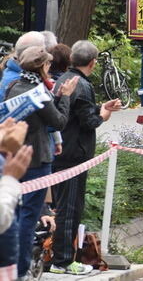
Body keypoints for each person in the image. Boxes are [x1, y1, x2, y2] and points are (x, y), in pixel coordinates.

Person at [49, 41, 122, 275]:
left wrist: (99, 107)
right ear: (93, 63)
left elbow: (77, 110)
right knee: (70, 208)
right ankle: (62, 261)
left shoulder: (64, 79)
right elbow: (88, 121)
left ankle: (57, 257)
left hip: (61, 151)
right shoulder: (83, 84)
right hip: (74, 155)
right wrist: (103, 114)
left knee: (61, 207)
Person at [4, 46, 77, 278]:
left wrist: (56, 96)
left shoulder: (13, 86)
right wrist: (65, 96)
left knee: (12, 215)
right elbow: (59, 121)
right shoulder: (38, 92)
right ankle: (21, 270)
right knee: (29, 218)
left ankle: (9, 266)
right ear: (42, 66)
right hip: (37, 160)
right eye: (47, 64)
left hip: (13, 157)